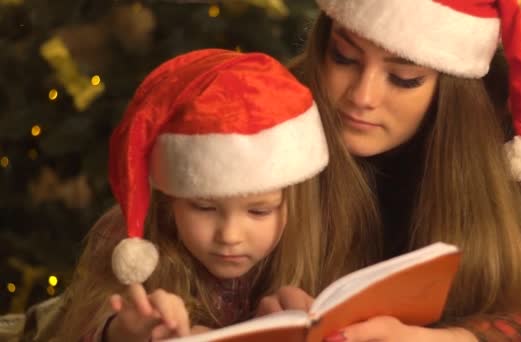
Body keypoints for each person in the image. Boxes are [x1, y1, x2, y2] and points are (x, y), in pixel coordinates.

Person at [257, 0, 521, 340]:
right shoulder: (278, 110)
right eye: (344, 57)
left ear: (455, 82)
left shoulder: (515, 125)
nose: (362, 96)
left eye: (404, 77)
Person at [49, 48, 364, 342]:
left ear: (293, 205)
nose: (229, 235)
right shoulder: (127, 242)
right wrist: (123, 331)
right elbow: (81, 324)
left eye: (259, 211)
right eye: (203, 208)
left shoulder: (315, 245)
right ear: (170, 198)